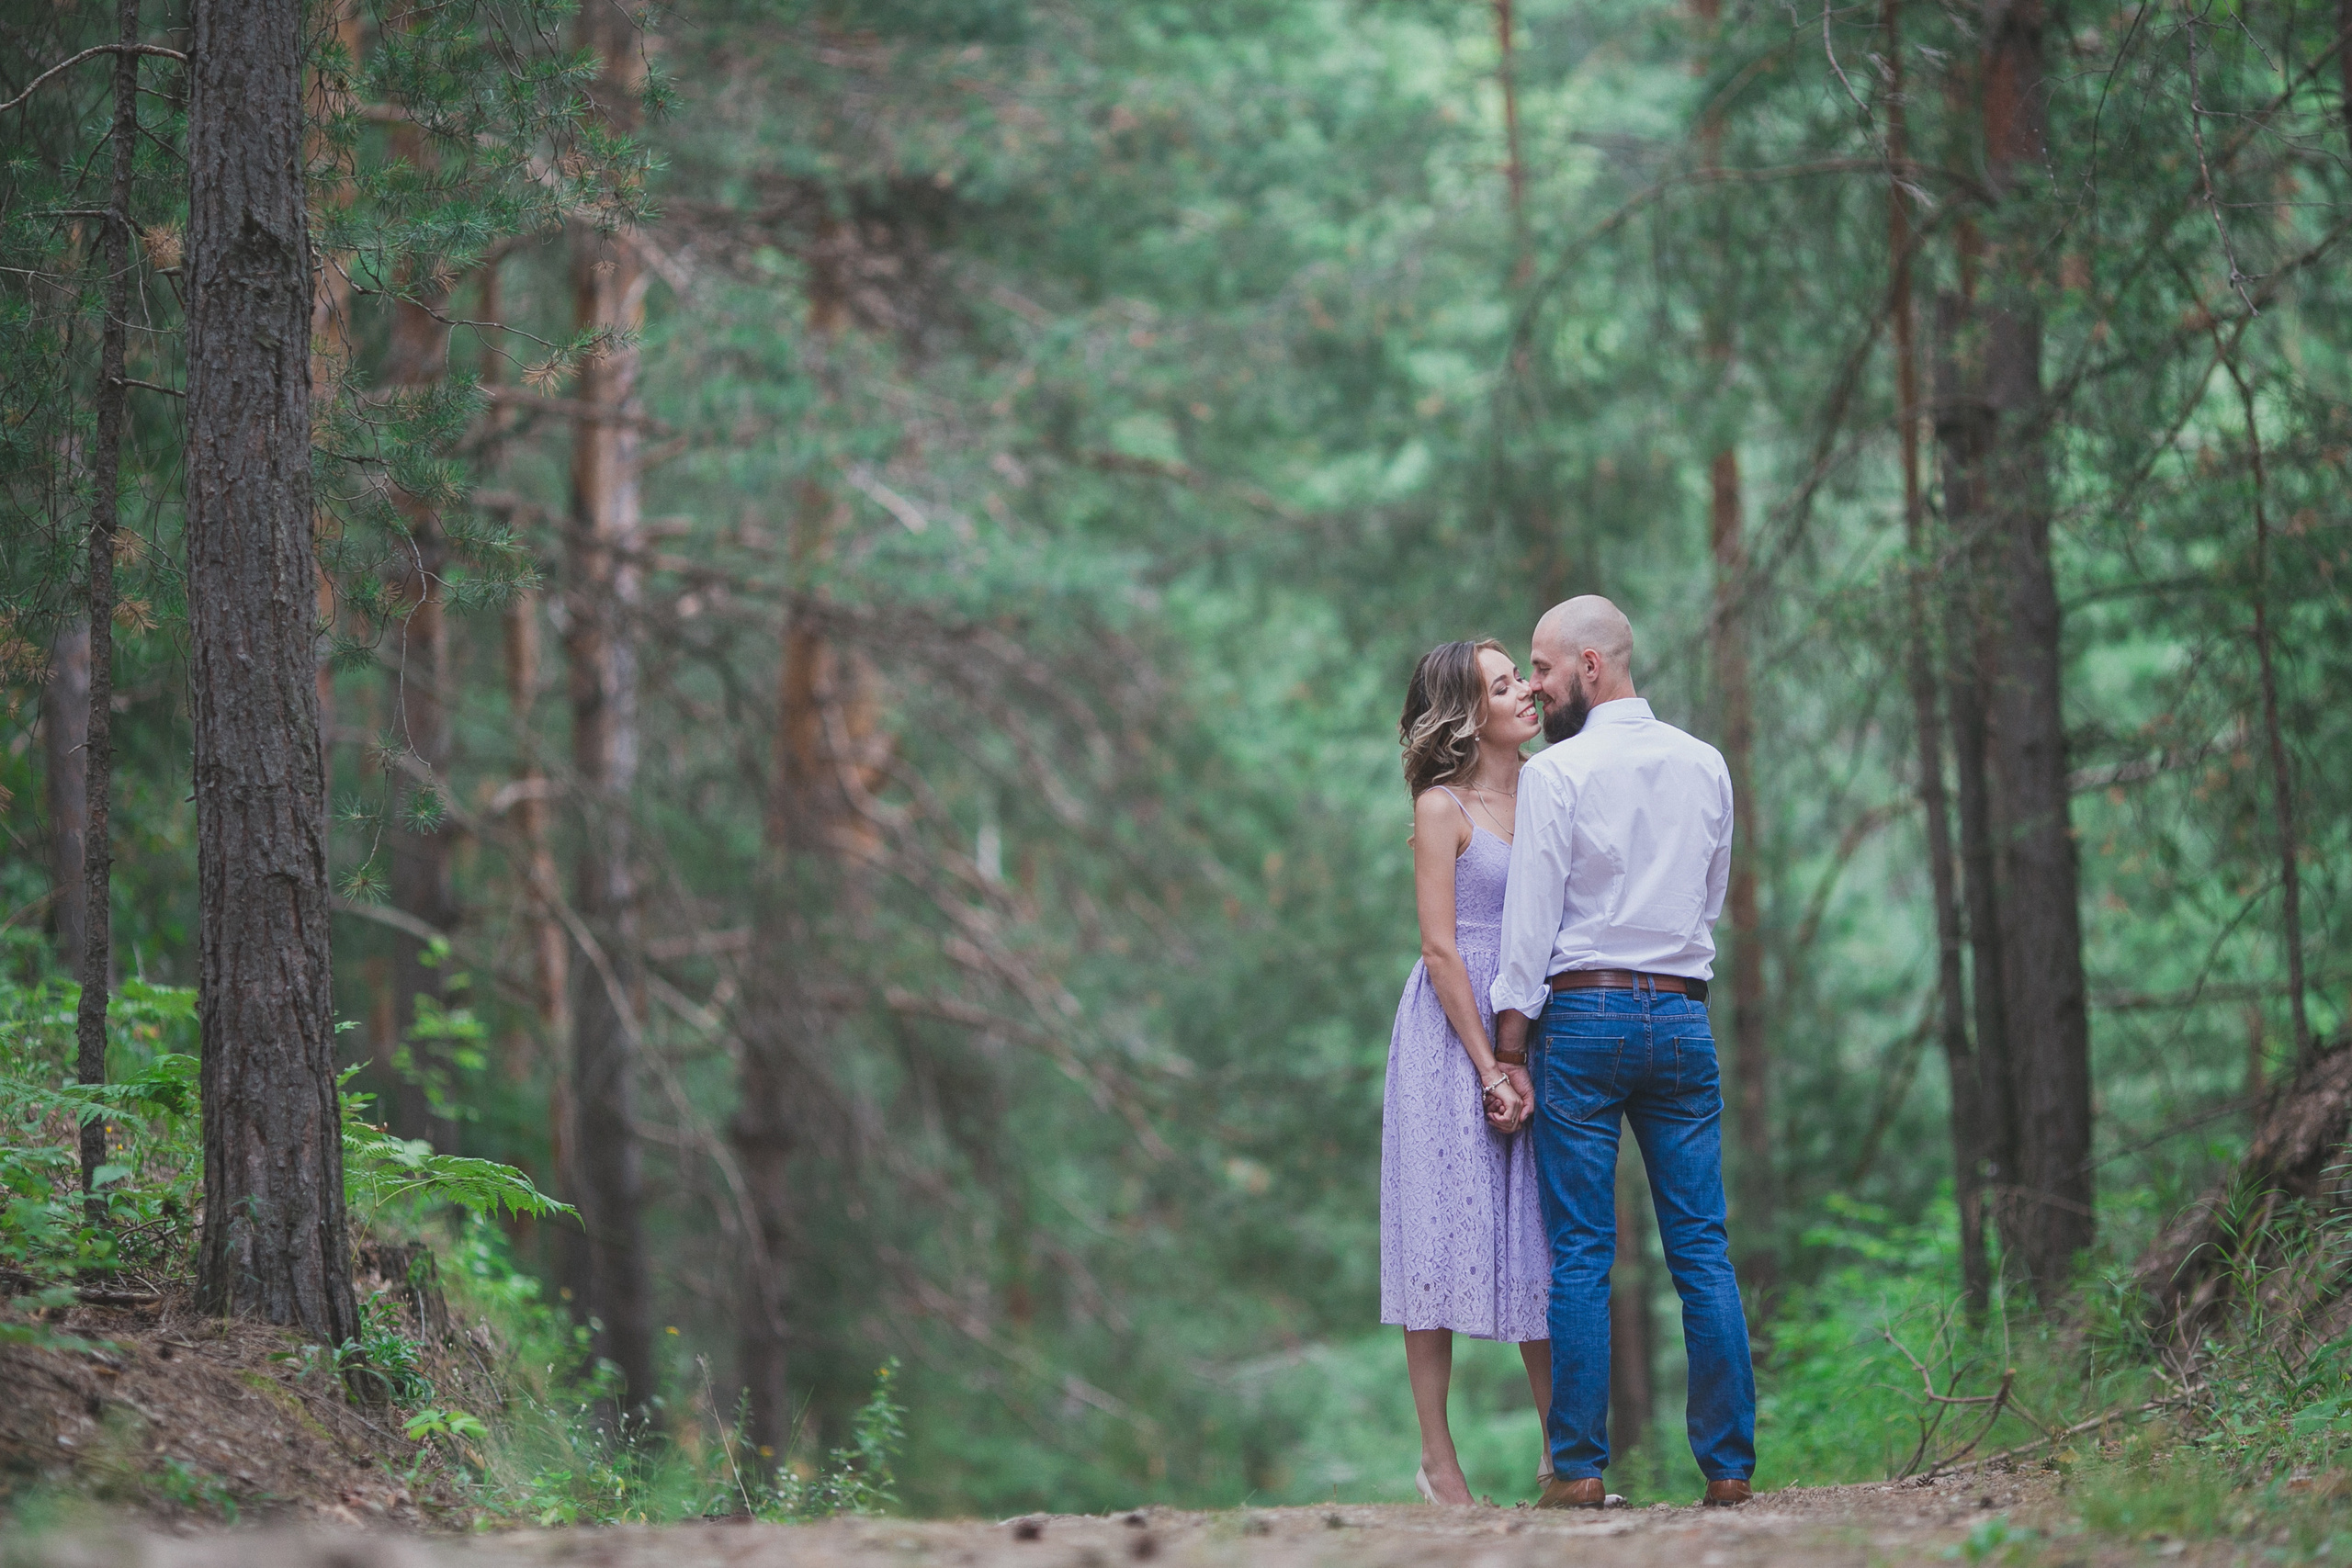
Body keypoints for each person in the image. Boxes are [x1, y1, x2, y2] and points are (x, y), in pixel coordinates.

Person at [1488, 596, 1758, 1509]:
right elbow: (1710, 895)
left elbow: (1529, 926)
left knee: (1580, 1254)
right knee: (1702, 1249)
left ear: (1592, 666)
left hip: (1584, 1019)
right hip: (1681, 1020)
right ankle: (1727, 1470)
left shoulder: (1555, 775)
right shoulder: (1705, 764)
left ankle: (1576, 1470)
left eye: (1541, 666)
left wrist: (1509, 1045)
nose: (1532, 684)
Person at [1379, 638, 1552, 1506]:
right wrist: (1490, 1065)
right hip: (1452, 1037)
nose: (1524, 689)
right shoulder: (1441, 805)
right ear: (1467, 712)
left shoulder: (1553, 789)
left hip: (1536, 1020)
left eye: (1520, 675)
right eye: (1501, 683)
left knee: (1543, 1232)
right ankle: (1439, 1459)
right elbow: (1440, 948)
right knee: (1438, 1227)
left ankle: (1566, 1453)